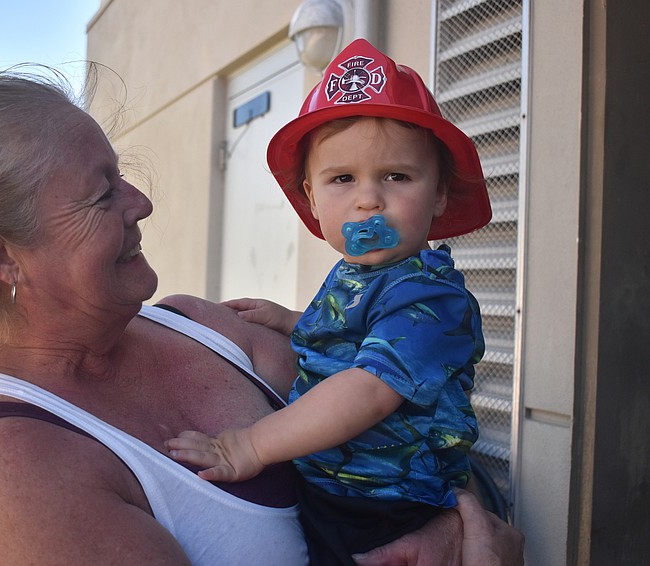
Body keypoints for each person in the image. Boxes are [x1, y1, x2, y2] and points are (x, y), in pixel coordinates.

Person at [0, 70, 523, 565]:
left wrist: (461, 523)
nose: (141, 204)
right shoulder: (15, 473)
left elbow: (420, 424)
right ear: (1, 255)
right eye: (102, 193)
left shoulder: (209, 325)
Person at [167, 38, 493, 565]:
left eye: (397, 176)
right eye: (343, 178)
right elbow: (358, 335)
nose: (369, 198)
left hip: (384, 504)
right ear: (313, 199)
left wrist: (247, 446)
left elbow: (367, 389)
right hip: (335, 484)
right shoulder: (360, 274)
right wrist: (291, 319)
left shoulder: (431, 296)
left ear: (437, 195)